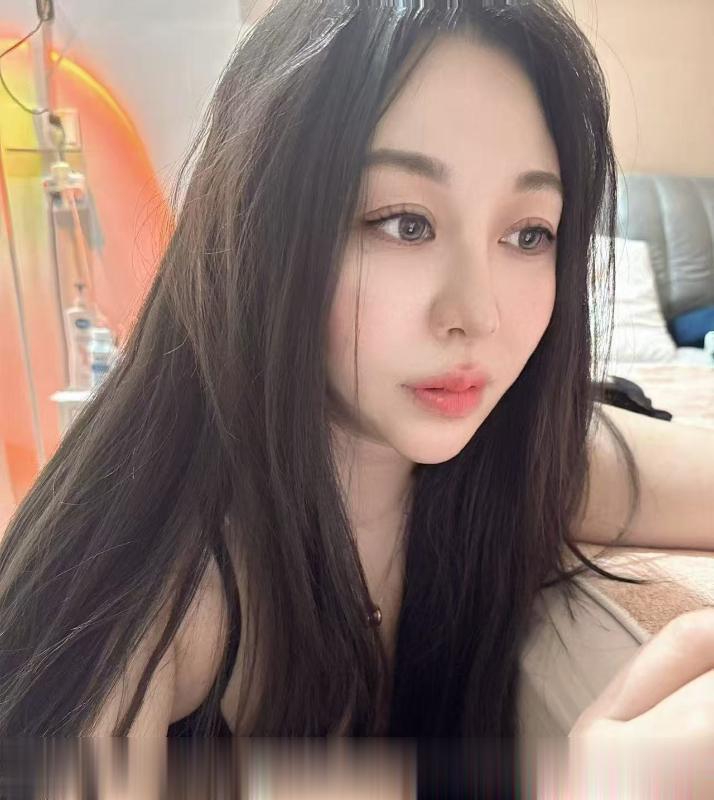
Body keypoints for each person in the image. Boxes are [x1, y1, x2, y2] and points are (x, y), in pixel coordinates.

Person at [0, 0, 712, 741]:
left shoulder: (519, 462)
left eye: (529, 234)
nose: (478, 315)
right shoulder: (145, 582)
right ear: (263, 219)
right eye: (406, 223)